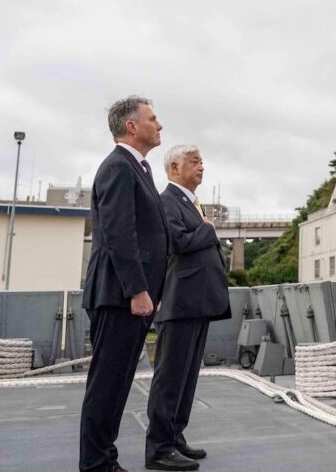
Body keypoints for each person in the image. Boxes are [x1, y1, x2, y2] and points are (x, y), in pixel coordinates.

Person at [80, 96, 171, 472]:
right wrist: (137, 289)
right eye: (153, 119)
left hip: (130, 293)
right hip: (119, 294)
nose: (159, 125)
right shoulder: (119, 167)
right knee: (108, 384)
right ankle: (96, 464)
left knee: (117, 384)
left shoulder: (137, 168)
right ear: (132, 126)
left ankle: (104, 459)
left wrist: (152, 290)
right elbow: (120, 233)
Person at [146, 145, 231, 471]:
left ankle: (175, 436)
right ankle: (159, 448)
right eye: (194, 162)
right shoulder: (168, 201)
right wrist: (207, 229)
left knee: (186, 377)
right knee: (170, 377)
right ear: (174, 167)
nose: (201, 167)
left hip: (197, 302)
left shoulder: (189, 203)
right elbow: (178, 243)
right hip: (180, 301)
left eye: (202, 162)